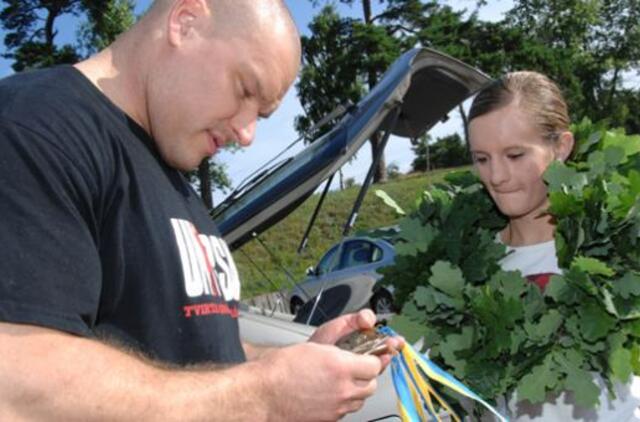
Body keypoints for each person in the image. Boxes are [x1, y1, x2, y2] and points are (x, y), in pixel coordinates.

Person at [0, 0, 401, 420]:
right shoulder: (35, 129)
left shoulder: (172, 177)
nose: (247, 135)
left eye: (261, 116)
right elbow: (17, 383)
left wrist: (297, 362)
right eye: (246, 89)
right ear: (185, 22)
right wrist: (264, 395)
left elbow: (194, 348)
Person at [467, 71, 640, 421]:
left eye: (514, 155)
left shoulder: (619, 245)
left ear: (561, 147)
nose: (496, 176)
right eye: (481, 159)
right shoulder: (467, 267)